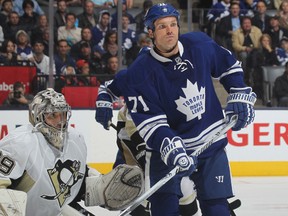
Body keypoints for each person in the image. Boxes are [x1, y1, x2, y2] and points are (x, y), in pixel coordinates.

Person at [95, 3, 256, 216]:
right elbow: (152, 122)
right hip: (166, 153)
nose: (170, 30)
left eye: (173, 24)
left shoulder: (200, 44)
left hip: (210, 144)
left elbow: (228, 66)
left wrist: (238, 91)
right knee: (164, 210)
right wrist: (169, 146)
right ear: (150, 33)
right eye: (162, 26)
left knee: (218, 209)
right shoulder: (140, 73)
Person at [0, 88, 144, 215]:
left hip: (56, 210)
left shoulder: (75, 139)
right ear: (38, 116)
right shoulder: (19, 142)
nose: (60, 121)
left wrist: (101, 188)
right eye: (52, 115)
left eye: (62, 114)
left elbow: (75, 182)